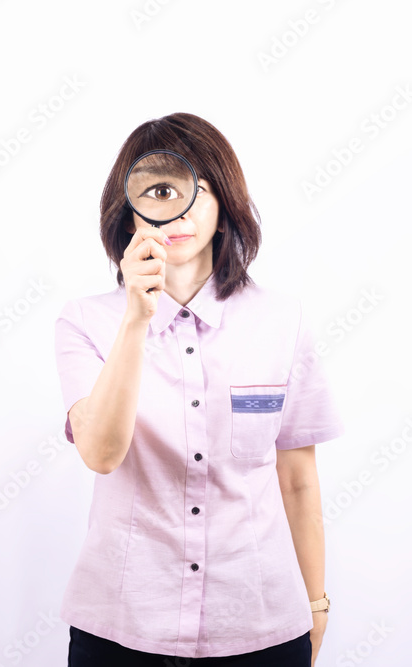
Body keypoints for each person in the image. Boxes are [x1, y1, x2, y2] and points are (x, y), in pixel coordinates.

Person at [53, 112, 345, 666]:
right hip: (122, 628)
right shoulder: (85, 322)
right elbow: (101, 453)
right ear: (129, 210)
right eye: (160, 191)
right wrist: (137, 319)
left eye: (198, 191)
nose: (180, 211)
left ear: (224, 205)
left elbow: (298, 480)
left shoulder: (282, 321)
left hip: (259, 624)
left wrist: (316, 603)